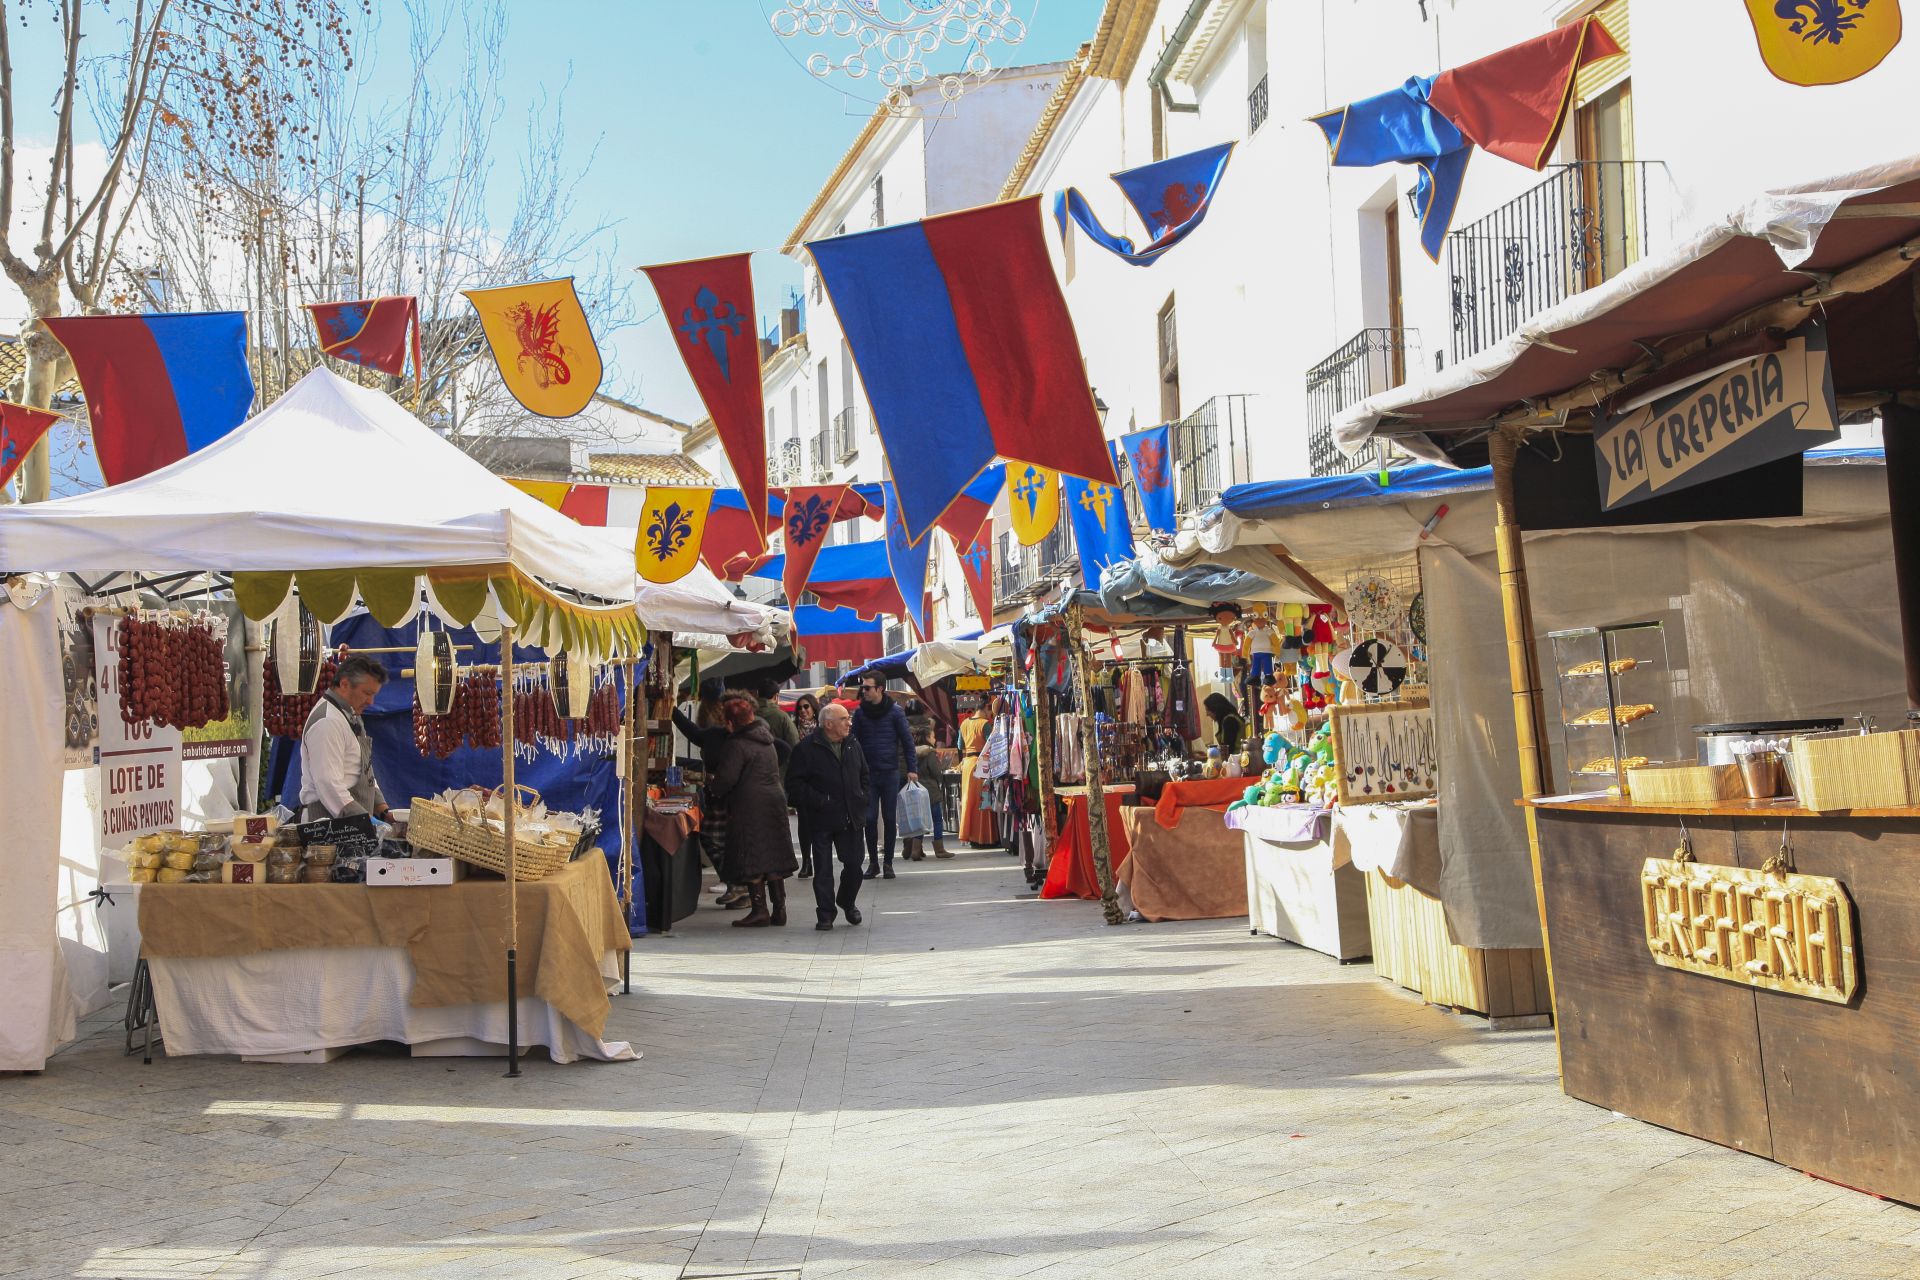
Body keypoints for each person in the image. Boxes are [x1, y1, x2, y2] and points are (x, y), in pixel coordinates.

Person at [705, 691, 799, 927]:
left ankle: (760, 911)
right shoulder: (766, 738)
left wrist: (711, 786)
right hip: (774, 801)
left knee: (753, 854)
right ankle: (780, 909)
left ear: (729, 722)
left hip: (749, 804)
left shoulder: (737, 744)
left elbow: (726, 779)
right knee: (774, 854)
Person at [785, 702, 869, 930]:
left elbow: (864, 775)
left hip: (851, 816)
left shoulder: (853, 744)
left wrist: (862, 797)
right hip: (820, 818)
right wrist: (821, 801)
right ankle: (825, 914)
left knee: (854, 865)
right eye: (844, 719)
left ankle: (847, 901)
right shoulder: (805, 748)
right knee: (823, 870)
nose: (849, 723)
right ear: (829, 724)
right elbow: (793, 786)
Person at [297, 656, 392, 823]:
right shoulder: (328, 722)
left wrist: (384, 812)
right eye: (367, 693)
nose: (371, 701)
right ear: (344, 684)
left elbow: (363, 770)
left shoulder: (350, 715)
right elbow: (329, 784)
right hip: (328, 825)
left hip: (353, 824)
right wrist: (366, 821)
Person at [849, 676, 916, 879]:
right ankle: (873, 863)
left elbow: (907, 741)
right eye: (863, 688)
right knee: (869, 819)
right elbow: (853, 741)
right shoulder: (860, 713)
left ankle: (888, 862)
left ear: (879, 689)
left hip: (890, 772)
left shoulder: (895, 712)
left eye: (868, 688)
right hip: (867, 774)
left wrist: (912, 768)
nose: (864, 692)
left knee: (888, 818)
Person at [906, 726, 955, 860]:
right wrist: (942, 770)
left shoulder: (911, 751)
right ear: (927, 737)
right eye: (933, 736)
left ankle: (916, 850)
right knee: (937, 820)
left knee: (919, 821)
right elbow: (935, 771)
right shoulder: (929, 752)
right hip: (930, 791)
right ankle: (939, 850)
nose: (934, 739)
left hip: (916, 789)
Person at [757, 676, 799, 751]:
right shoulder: (782, 717)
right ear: (776, 696)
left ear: (758, 694)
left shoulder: (749, 715)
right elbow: (794, 743)